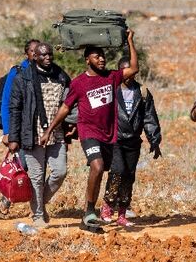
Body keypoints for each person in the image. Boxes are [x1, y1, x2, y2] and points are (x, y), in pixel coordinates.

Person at [39, 30, 139, 233]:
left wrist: (130, 41)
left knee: (102, 171)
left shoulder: (112, 77)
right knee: (97, 165)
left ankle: (88, 213)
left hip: (109, 134)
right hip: (88, 132)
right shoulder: (79, 83)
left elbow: (134, 68)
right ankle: (90, 211)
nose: (101, 59)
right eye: (96, 56)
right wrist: (49, 130)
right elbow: (66, 108)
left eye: (102, 55)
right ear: (87, 60)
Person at [8, 42, 71, 229]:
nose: (47, 57)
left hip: (57, 133)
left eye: (49, 54)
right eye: (43, 55)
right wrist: (13, 137)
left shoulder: (60, 76)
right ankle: (37, 215)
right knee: (36, 176)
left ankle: (40, 203)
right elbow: (15, 108)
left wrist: (71, 126)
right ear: (34, 56)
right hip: (32, 133)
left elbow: (70, 102)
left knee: (60, 172)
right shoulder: (23, 78)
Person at [100, 57, 162, 227]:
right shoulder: (111, 90)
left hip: (133, 141)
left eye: (130, 72)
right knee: (118, 171)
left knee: (129, 176)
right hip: (116, 139)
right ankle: (108, 204)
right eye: (123, 72)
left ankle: (122, 213)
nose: (127, 76)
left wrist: (154, 140)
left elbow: (149, 118)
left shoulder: (142, 92)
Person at [1, 40, 40, 146]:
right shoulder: (17, 72)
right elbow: (6, 102)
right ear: (26, 53)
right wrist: (7, 131)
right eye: (32, 51)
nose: (35, 54)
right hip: (20, 127)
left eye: (38, 51)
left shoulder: (48, 72)